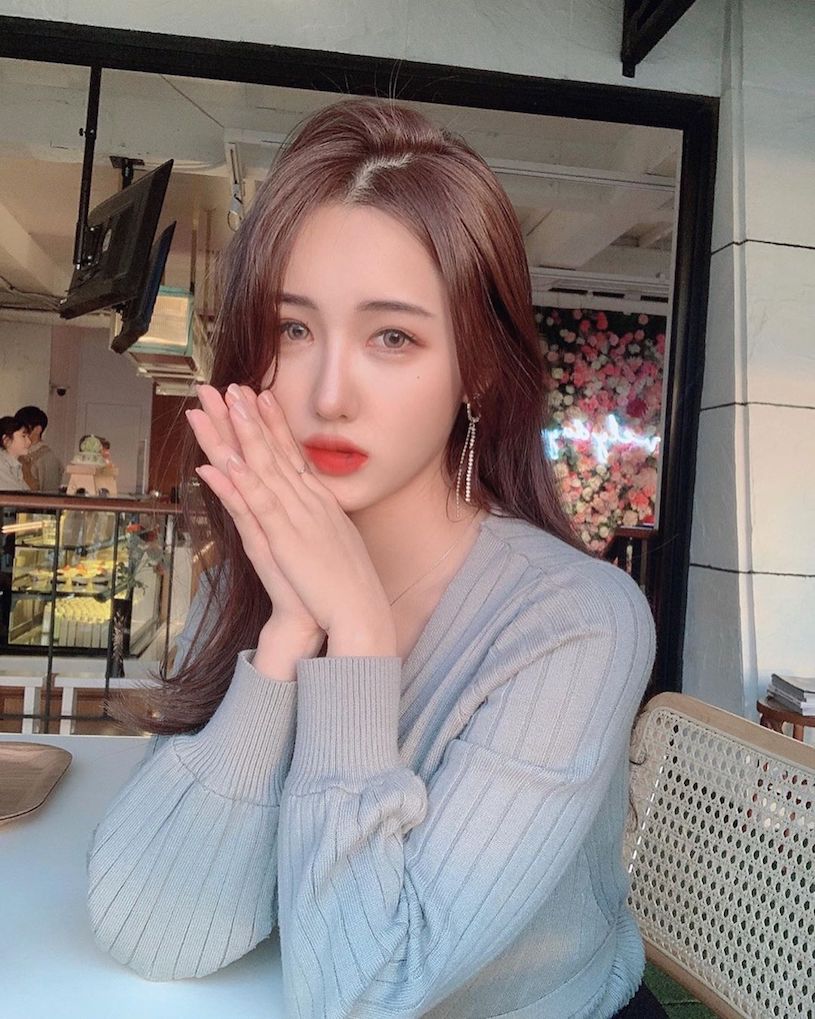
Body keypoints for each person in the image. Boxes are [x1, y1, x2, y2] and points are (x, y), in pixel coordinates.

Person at [86, 99, 663, 1019]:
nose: (328, 394)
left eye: (392, 336)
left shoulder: (575, 622)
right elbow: (151, 929)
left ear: (477, 366)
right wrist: (290, 633)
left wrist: (357, 633)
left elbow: (365, 996)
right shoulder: (258, 577)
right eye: (293, 330)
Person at [15, 405, 63, 492]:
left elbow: (50, 494)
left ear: (37, 429)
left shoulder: (48, 458)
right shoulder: (15, 452)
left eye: (24, 428)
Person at [0, 415, 32, 491]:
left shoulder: (14, 465)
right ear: (6, 439)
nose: (29, 442)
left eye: (28, 437)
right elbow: (16, 494)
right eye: (23, 436)